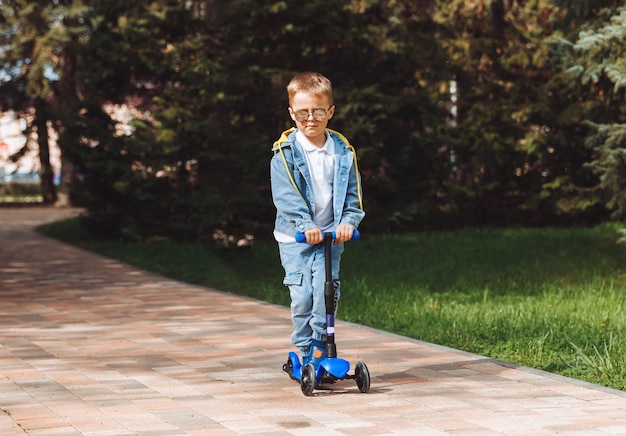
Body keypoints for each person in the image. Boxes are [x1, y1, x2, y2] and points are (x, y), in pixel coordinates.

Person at [270, 71, 365, 372]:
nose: (310, 119)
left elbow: (353, 194)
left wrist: (348, 221)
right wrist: (305, 225)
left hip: (331, 237)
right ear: (291, 113)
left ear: (331, 112)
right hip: (296, 239)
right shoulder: (284, 154)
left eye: (318, 112)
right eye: (302, 113)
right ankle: (305, 347)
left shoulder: (343, 152)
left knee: (327, 293)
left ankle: (322, 346)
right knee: (303, 298)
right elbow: (285, 196)